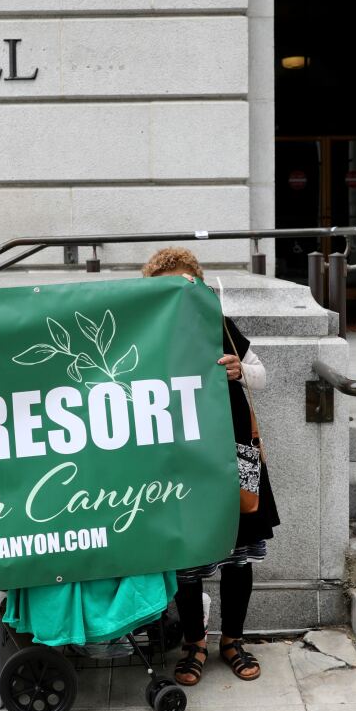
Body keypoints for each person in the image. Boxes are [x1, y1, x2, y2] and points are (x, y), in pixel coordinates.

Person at [140, 247, 279, 684]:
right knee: (188, 556)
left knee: (240, 554)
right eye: (168, 286)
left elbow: (262, 375)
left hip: (234, 449)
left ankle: (233, 641)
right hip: (182, 458)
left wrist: (240, 370)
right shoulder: (149, 335)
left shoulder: (220, 325)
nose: (180, 292)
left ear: (198, 285)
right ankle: (194, 644)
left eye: (187, 283)